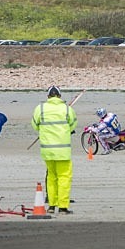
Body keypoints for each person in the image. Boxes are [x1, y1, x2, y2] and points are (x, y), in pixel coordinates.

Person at [31, 86, 77, 214]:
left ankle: (51, 205)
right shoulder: (67, 109)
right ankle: (62, 207)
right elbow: (73, 124)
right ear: (60, 96)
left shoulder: (40, 109)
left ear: (48, 97)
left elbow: (35, 125)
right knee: (64, 178)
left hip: (47, 151)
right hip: (63, 151)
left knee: (51, 177)